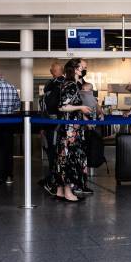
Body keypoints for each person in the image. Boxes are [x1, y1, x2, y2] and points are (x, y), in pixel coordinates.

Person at [54, 58, 92, 203]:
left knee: (62, 159)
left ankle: (60, 191)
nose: (84, 69)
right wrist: (81, 108)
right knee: (70, 159)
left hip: (69, 128)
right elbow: (62, 106)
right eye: (82, 67)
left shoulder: (69, 84)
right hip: (70, 131)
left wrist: (83, 116)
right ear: (75, 69)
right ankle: (68, 192)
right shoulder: (71, 85)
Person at [39, 61, 65, 195]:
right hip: (48, 123)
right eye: (51, 69)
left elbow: (58, 106)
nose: (51, 71)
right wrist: (43, 126)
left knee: (55, 153)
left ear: (61, 70)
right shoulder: (51, 83)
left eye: (54, 69)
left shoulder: (62, 84)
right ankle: (51, 178)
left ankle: (56, 181)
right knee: (50, 151)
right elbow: (45, 106)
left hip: (57, 124)